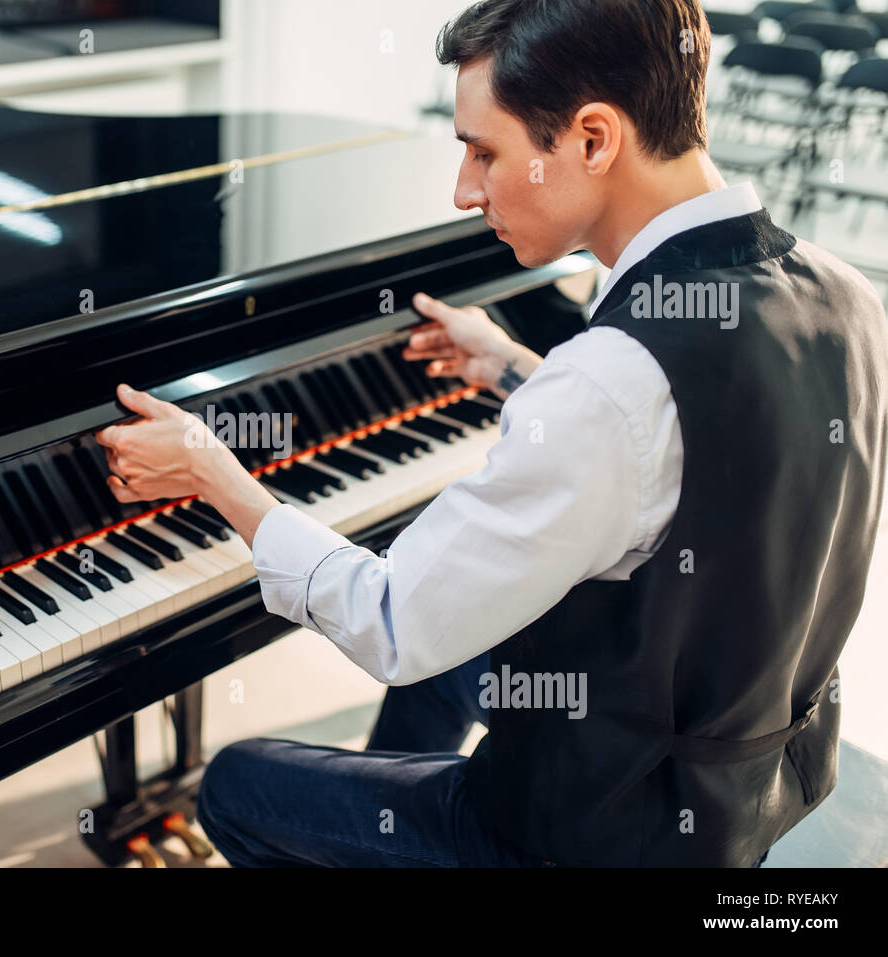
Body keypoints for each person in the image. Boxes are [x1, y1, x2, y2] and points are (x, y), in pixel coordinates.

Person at [94, 0, 888, 866]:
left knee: (238, 782)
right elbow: (692, 452)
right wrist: (511, 364)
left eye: (484, 151)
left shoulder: (611, 383)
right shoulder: (845, 294)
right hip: (749, 772)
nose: (464, 190)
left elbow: (391, 619)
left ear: (593, 139)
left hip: (586, 835)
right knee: (461, 639)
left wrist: (216, 472)